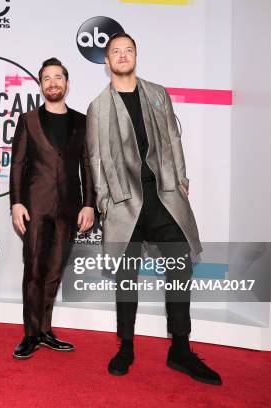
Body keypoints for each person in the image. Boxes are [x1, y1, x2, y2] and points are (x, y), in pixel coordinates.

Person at [85, 33, 222, 385]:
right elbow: (97, 161)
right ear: (107, 62)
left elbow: (174, 139)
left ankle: (180, 348)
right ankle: (126, 346)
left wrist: (181, 181)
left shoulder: (157, 93)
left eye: (128, 50)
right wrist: (104, 204)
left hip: (163, 198)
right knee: (125, 278)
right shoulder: (98, 107)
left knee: (180, 268)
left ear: (136, 56)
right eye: (115, 52)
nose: (122, 55)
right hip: (125, 203)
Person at [10, 58, 95, 359]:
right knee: (33, 268)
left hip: (70, 207)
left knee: (55, 269)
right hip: (34, 205)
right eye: (47, 78)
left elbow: (88, 165)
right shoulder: (28, 120)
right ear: (41, 85)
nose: (53, 82)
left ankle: (45, 329)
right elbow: (18, 164)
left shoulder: (83, 121)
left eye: (58, 77)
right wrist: (16, 202)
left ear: (67, 83)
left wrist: (89, 204)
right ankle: (30, 334)